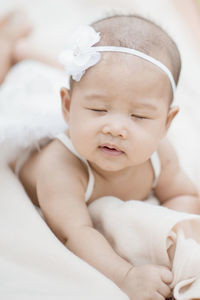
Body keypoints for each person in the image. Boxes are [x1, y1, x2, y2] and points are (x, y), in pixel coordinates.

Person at [8, 14, 200, 300]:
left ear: (165, 123)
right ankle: (10, 47)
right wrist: (125, 276)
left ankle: (27, 51)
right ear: (68, 107)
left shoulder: (160, 153)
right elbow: (76, 232)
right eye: (99, 111)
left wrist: (175, 235)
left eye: (140, 116)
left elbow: (184, 195)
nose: (116, 128)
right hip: (25, 101)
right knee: (18, 78)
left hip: (88, 92)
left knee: (94, 83)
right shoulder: (61, 166)